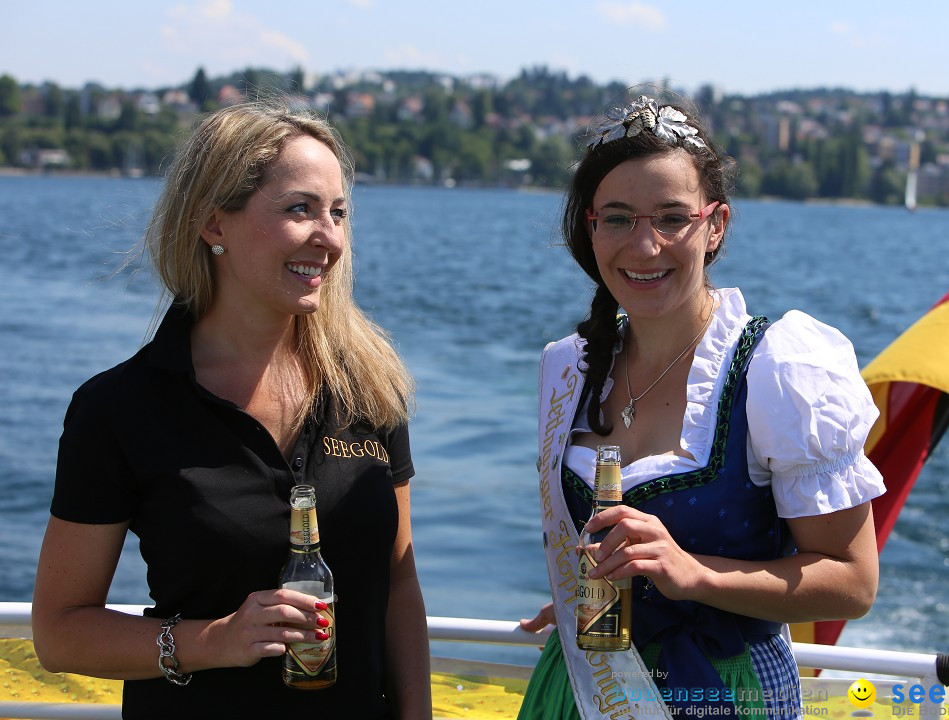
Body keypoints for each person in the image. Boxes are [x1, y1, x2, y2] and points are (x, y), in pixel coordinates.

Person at [31, 102, 432, 719]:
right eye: (300, 209)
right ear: (214, 224)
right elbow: (59, 632)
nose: (329, 239)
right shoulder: (118, 409)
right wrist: (214, 640)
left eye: (339, 212)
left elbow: (398, 586)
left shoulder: (370, 390)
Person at [518, 94, 885, 719]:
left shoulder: (778, 368)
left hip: (723, 696)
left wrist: (696, 576)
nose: (644, 246)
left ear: (715, 225)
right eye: (618, 218)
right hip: (586, 683)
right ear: (590, 226)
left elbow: (853, 583)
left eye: (671, 218)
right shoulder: (570, 367)